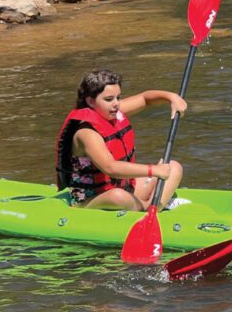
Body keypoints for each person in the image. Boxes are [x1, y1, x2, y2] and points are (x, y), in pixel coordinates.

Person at [56, 69, 186, 211]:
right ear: (90, 101)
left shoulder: (111, 111)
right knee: (118, 196)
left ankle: (151, 205)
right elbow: (110, 167)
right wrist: (153, 170)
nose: (116, 103)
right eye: (109, 99)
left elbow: (145, 99)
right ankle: (149, 206)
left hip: (123, 187)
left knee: (174, 167)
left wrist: (171, 97)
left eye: (118, 97)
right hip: (91, 199)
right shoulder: (86, 133)